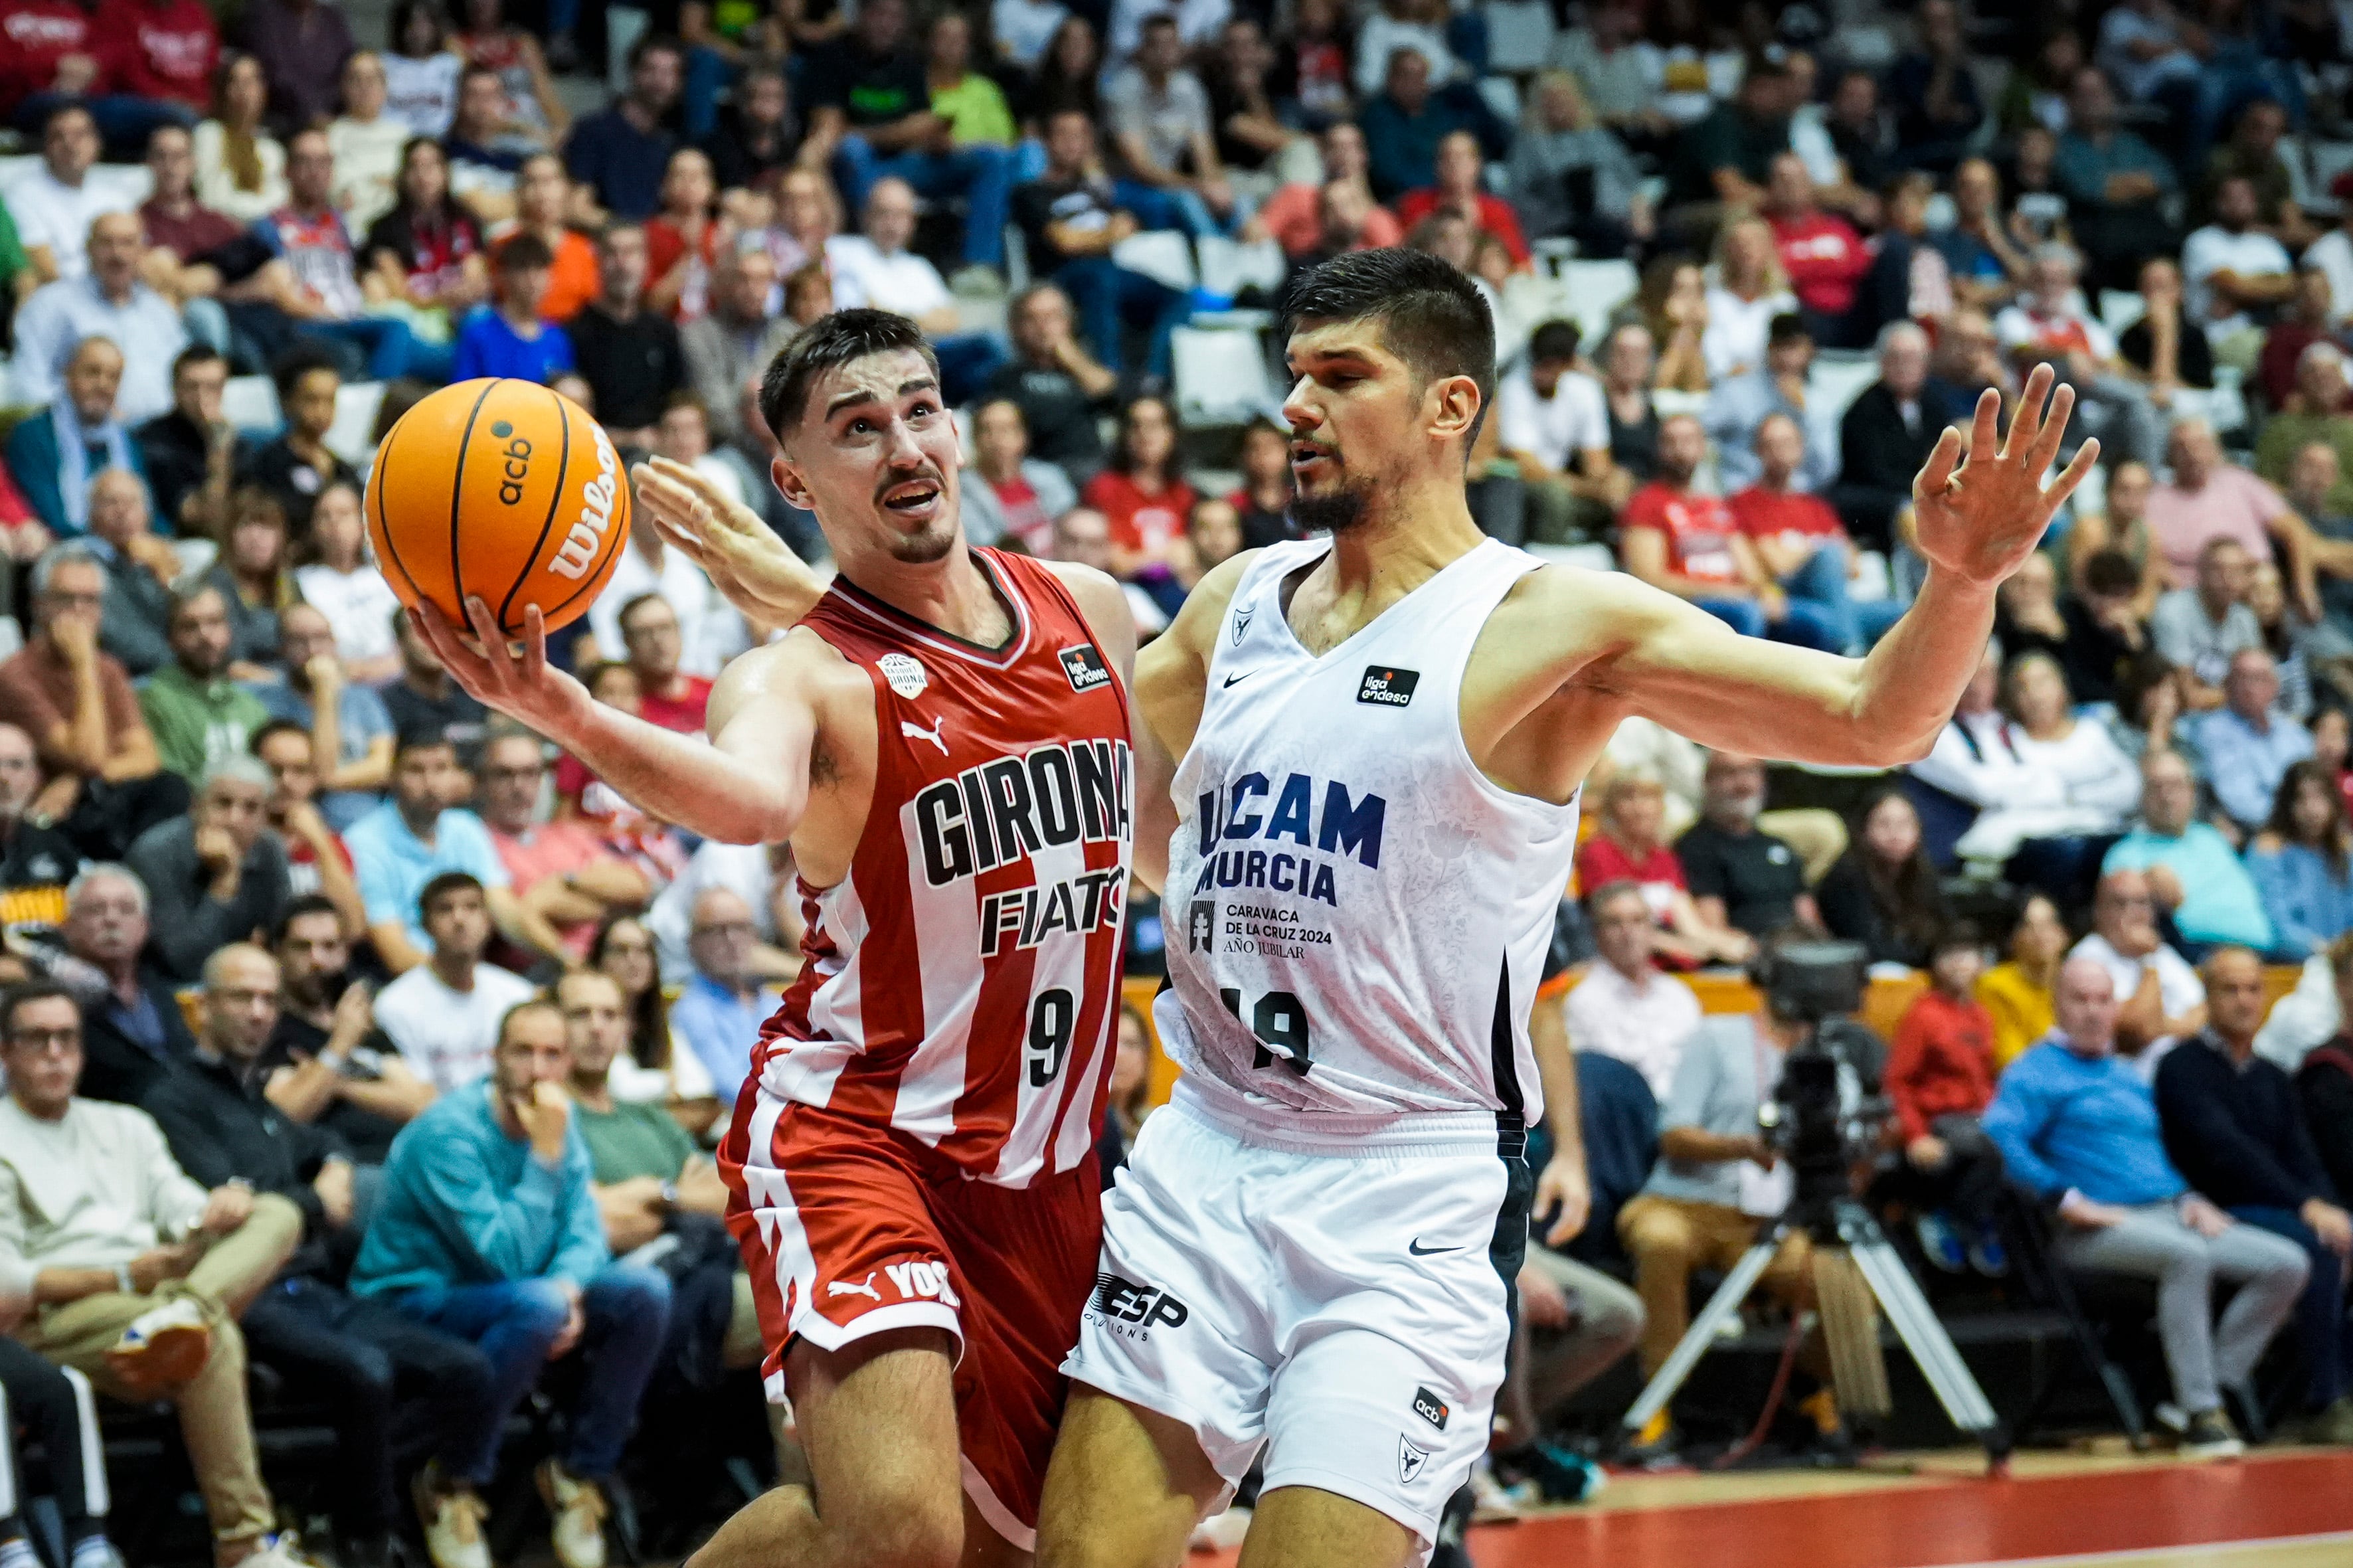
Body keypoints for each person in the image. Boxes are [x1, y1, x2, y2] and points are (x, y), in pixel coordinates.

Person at [452, 238, 2093, 1561]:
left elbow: (1878, 718)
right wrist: (778, 597)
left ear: (1449, 408)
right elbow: (1014, 720)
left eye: (1337, 379)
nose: (1292, 408)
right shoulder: (1232, 606)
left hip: (1404, 1184)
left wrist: (1961, 579)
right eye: (1290, 376)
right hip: (1198, 1160)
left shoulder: (1553, 618)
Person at [408, 308, 1144, 1568]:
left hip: (1047, 1169)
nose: (902, 443)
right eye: (857, 430)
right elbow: (746, 799)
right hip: (858, 1134)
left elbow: (1165, 827)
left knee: (993, 1550)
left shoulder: (1092, 610)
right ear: (796, 481)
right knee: (904, 1532)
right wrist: (563, 709)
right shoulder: (795, 674)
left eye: (917, 408)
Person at [142, 943, 500, 1568]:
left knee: (465, 1369)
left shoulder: (257, 1096)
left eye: (267, 999)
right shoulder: (172, 1100)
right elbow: (231, 1206)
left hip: (313, 1286)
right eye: (241, 997)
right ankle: (368, 1537)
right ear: (201, 1008)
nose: (258, 1012)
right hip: (245, 1294)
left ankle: (329, 1499)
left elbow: (319, 1137)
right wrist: (314, 1195)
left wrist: (334, 1161)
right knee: (366, 1373)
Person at [349, 998, 671, 1568]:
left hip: (520, 1295)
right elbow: (504, 1257)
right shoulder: (449, 1133)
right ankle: (452, 1481)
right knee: (537, 1302)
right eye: (524, 1051)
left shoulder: (555, 1122)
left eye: (552, 1054)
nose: (539, 1068)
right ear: (495, 1056)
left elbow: (585, 1231)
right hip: (410, 1298)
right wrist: (545, 1155)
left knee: (645, 1290)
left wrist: (571, 1289)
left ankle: (578, 1474)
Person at [0, 981, 313, 1568]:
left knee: (278, 1212)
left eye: (67, 1038)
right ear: (5, 1052)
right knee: (214, 1337)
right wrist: (124, 1276)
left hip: (159, 1288)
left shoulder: (125, 1124)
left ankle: (188, 1307)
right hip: (63, 1312)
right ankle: (245, 1543)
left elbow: (177, 1202)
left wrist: (213, 1209)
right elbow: (7, 1282)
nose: (55, 1053)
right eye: (37, 1039)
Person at [1986, 956, 2307, 1457]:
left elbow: (2153, 1158)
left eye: (2103, 999)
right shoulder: (2033, 1072)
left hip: (2165, 1210)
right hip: (2092, 1228)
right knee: (2189, 1256)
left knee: (2286, 1263)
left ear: (2117, 1007)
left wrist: (2188, 1197)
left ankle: (2207, 1389)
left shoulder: (2126, 1074)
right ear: (2058, 1005)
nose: (2093, 1011)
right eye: (2080, 999)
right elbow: (1998, 1138)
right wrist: (2063, 1197)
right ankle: (2202, 1415)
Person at [1614, 971, 1854, 1454]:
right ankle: (1656, 1400)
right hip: (1681, 1201)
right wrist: (1741, 1146)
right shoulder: (1716, 1036)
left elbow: (1845, 1135)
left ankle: (1809, 1388)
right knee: (1660, 1241)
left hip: (1766, 1219)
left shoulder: (1827, 1059)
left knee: (1843, 1282)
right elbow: (1674, 1133)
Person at [2153, 946, 2353, 1442]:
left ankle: (2297, 1389)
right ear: (2207, 995)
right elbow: (2227, 1153)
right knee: (2317, 1247)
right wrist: (2308, 1209)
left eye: (2252, 988)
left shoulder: (2270, 1074)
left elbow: (2301, 1154)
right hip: (2213, 1209)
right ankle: (2323, 1400)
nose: (2243, 1000)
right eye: (2230, 989)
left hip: (2271, 1205)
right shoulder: (2180, 1067)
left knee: (2339, 1234)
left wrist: (2330, 1207)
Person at [804, 0, 1012, 282]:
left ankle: (980, 267)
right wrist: (901, 131)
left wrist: (934, 140)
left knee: (991, 158)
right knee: (853, 150)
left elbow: (924, 126)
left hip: (909, 163)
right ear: (861, 15)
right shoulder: (832, 56)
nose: (886, 23)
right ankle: (875, 256)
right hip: (863, 167)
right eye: (879, 13)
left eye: (895, 17)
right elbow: (829, 131)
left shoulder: (910, 61)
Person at [0, 548, 185, 863]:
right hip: (43, 814)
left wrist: (79, 782)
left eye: (90, 600)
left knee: (169, 788)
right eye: (65, 599)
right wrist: (84, 666)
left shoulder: (110, 669)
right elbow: (86, 756)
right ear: (39, 605)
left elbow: (145, 757)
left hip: (90, 800)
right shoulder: (17, 675)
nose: (78, 610)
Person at [1618, 414, 1840, 650]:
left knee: (1818, 620)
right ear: (1659, 449)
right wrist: (1730, 593)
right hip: (1689, 605)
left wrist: (1765, 591)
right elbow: (1651, 579)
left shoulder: (1715, 506)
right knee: (1747, 613)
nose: (1680, 450)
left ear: (1703, 448)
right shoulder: (1647, 503)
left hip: (1737, 598)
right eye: (1671, 442)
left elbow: (1751, 571)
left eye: (1688, 441)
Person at [345, 737, 555, 976]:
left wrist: (568, 960)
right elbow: (397, 955)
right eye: (416, 770)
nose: (431, 783)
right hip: (398, 981)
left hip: (466, 974)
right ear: (393, 776)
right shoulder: (363, 841)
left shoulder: (466, 827)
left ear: (456, 775)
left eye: (441, 768)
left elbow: (507, 913)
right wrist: (469, 983)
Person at [1009, 110, 1188, 383]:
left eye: (1081, 136)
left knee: (1182, 297)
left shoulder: (1097, 190)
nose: (1073, 143)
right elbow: (1065, 242)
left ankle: (1154, 378)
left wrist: (1102, 226)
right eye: (1063, 135)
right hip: (1061, 279)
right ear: (1046, 142)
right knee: (1100, 277)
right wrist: (1108, 234)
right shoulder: (1031, 191)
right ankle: (1110, 373)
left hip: (1108, 272)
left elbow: (1127, 223)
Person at [258, 896, 432, 1163]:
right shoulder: (268, 1026)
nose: (317, 959)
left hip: (403, 1155)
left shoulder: (358, 1014)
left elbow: (419, 1103)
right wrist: (340, 1045)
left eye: (329, 946)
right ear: (278, 952)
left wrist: (338, 1084)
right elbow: (285, 1115)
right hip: (337, 1163)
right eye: (302, 947)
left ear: (345, 952)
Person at [1884, 925, 2008, 1272]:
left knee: (2011, 1142)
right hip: (1939, 1121)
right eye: (1949, 955)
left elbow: (1987, 1077)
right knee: (1990, 1147)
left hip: (1979, 1118)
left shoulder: (1982, 1015)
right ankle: (1945, 1215)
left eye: (1967, 955)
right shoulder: (1923, 1015)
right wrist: (1915, 1135)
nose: (1958, 965)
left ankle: (1972, 1220)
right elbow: (1897, 1081)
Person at [826, 178, 1006, 404]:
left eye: (901, 216)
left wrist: (895, 317)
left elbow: (950, 321)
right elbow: (861, 315)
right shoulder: (844, 251)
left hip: (929, 353)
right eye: (884, 213)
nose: (892, 224)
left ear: (912, 222)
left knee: (991, 357)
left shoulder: (919, 266)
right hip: (878, 353)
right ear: (865, 216)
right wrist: (919, 320)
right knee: (991, 346)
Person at [478, 731, 650, 958]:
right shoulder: (478, 843)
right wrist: (604, 896)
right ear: (481, 782)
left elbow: (636, 886)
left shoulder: (566, 832)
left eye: (530, 773)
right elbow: (523, 915)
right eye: (504, 774)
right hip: (545, 966)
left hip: (611, 956)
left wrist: (566, 881)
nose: (519, 786)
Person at [11, 212, 187, 430]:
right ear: (88, 249)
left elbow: (184, 378)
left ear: (142, 251)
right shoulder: (52, 304)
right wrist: (88, 411)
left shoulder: (158, 310)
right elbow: (29, 384)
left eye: (128, 243)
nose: (118, 254)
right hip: (83, 434)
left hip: (163, 436)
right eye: (107, 243)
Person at [124, 756, 290, 983]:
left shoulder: (270, 850)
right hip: (167, 988)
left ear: (265, 817)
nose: (234, 820)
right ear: (196, 805)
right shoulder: (155, 853)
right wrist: (224, 882)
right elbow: (186, 964)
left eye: (251, 808)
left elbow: (283, 940)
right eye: (223, 803)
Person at [369, 871, 535, 1093]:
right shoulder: (395, 1005)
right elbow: (418, 1095)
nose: (459, 919)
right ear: (425, 925)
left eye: (472, 907)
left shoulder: (518, 994)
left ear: (489, 921)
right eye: (445, 909)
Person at [2106, 750, 2277, 954]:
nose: (2167, 796)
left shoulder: (2212, 837)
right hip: (2198, 955)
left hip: (2264, 951)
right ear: (2142, 795)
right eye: (2157, 787)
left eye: (2176, 786)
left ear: (2192, 791)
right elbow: (2120, 924)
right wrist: (2144, 883)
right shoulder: (2125, 854)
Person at [1571, 772, 1748, 968]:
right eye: (1628, 798)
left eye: (1648, 798)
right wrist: (1685, 948)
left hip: (1674, 964)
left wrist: (1732, 944)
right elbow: (1614, 923)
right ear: (1611, 808)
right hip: (1619, 961)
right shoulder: (1598, 852)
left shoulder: (1664, 857)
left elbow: (1690, 923)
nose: (1640, 809)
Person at [254, 603, 392, 831]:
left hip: (368, 822)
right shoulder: (267, 701)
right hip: (301, 826)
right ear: (282, 647)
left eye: (322, 638)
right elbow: (311, 769)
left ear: (335, 643)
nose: (313, 649)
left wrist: (324, 779)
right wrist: (324, 693)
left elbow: (382, 766)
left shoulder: (362, 698)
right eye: (299, 640)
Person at [1560, 879, 1702, 1098]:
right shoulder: (1583, 1002)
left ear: (1652, 930)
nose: (1628, 933)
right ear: (1597, 934)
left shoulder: (1679, 995)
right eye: (1615, 923)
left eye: (1638, 921)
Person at [3, 336, 152, 538]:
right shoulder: (32, 434)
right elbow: (50, 516)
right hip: (63, 546)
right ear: (68, 373)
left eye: (113, 377)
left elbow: (149, 508)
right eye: (93, 372)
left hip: (130, 545)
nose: (103, 384)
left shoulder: (128, 441)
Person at [1494, 319, 1618, 546]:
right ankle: (1551, 560)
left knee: (1624, 488)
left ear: (1569, 363)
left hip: (1567, 481)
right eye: (1539, 363)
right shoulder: (1514, 389)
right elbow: (1526, 466)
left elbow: (1597, 461)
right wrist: (1585, 488)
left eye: (1552, 365)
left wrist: (1606, 484)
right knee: (1555, 496)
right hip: (1525, 485)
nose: (1543, 373)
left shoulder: (1585, 390)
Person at [2071, 866, 2208, 1064]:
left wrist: (2161, 1026)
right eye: (2121, 903)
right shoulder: (2087, 957)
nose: (2134, 913)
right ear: (2099, 911)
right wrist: (2148, 962)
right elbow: (2137, 1030)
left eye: (2142, 903)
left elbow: (2205, 1012)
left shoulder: (2162, 953)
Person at [568, 224, 688, 449]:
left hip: (661, 450)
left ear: (646, 262)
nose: (622, 264)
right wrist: (627, 439)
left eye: (631, 252)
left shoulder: (663, 331)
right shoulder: (575, 332)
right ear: (598, 261)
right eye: (612, 253)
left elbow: (681, 400)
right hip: (594, 451)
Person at [1674, 751, 1817, 938]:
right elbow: (1714, 931)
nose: (1743, 785)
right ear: (1707, 781)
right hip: (1743, 959)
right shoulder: (1695, 848)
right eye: (1730, 773)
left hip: (1800, 952)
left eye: (1751, 772)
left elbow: (1808, 917)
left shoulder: (1778, 845)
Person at [982, 283, 1114, 483]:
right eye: (1033, 319)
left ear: (1069, 322)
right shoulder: (1005, 378)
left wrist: (1071, 357)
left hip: (1092, 467)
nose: (1043, 327)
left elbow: (1113, 397)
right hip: (1037, 472)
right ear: (1016, 328)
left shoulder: (1084, 369)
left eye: (1052, 317)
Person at [665, 886, 782, 1105]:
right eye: (717, 930)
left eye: (740, 928)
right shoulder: (692, 1011)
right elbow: (730, 1087)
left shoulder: (775, 1004)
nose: (731, 939)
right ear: (692, 943)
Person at [1814, 788, 1952, 968]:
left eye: (1904, 824)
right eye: (1884, 824)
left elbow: (1947, 932)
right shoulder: (1846, 877)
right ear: (1864, 830)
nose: (1895, 834)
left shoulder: (1924, 874)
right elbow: (1866, 946)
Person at [250, 721, 365, 934]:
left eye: (300, 770)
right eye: (274, 770)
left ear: (314, 778)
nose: (286, 781)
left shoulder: (331, 843)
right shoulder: (240, 838)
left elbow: (353, 929)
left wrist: (319, 842)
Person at [562, 36, 682, 222]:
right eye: (650, 70)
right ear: (633, 73)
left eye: (670, 73)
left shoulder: (673, 141)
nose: (659, 80)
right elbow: (577, 205)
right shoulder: (593, 130)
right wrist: (625, 230)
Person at [2198, 647, 2316, 833]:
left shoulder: (2297, 735)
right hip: (2246, 831)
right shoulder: (2209, 731)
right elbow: (2237, 800)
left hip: (2303, 830)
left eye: (2259, 679)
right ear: (2227, 684)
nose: (2249, 687)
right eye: (2241, 678)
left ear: (2275, 686)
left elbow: (2315, 790)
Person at [2247, 759, 2353, 956]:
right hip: (2289, 966)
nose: (2312, 810)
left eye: (2320, 797)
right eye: (2301, 799)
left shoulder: (2344, 851)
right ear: (2287, 805)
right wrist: (2327, 952)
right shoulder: (2269, 850)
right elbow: (2277, 928)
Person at [2152, 535, 2264, 710]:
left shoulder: (2245, 618)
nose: (2228, 580)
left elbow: (2260, 687)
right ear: (2200, 572)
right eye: (2218, 570)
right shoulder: (2172, 611)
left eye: (2237, 571)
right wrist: (2239, 695)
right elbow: (2188, 697)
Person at [450, 232, 573, 384]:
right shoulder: (478, 333)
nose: (532, 279)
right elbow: (463, 392)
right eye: (523, 268)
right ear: (503, 275)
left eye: (540, 269)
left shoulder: (557, 338)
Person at [962, 400, 1077, 554]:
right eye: (986, 430)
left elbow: (1072, 533)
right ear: (975, 439)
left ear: (1023, 436)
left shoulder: (1051, 477)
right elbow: (981, 548)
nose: (997, 439)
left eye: (1006, 429)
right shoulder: (963, 492)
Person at [1980, 893, 2068, 1069]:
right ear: (2014, 938)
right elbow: (2011, 1061)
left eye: (2048, 924)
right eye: (2030, 926)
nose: (2041, 934)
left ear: (2064, 934)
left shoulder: (2076, 983)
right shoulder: (1995, 986)